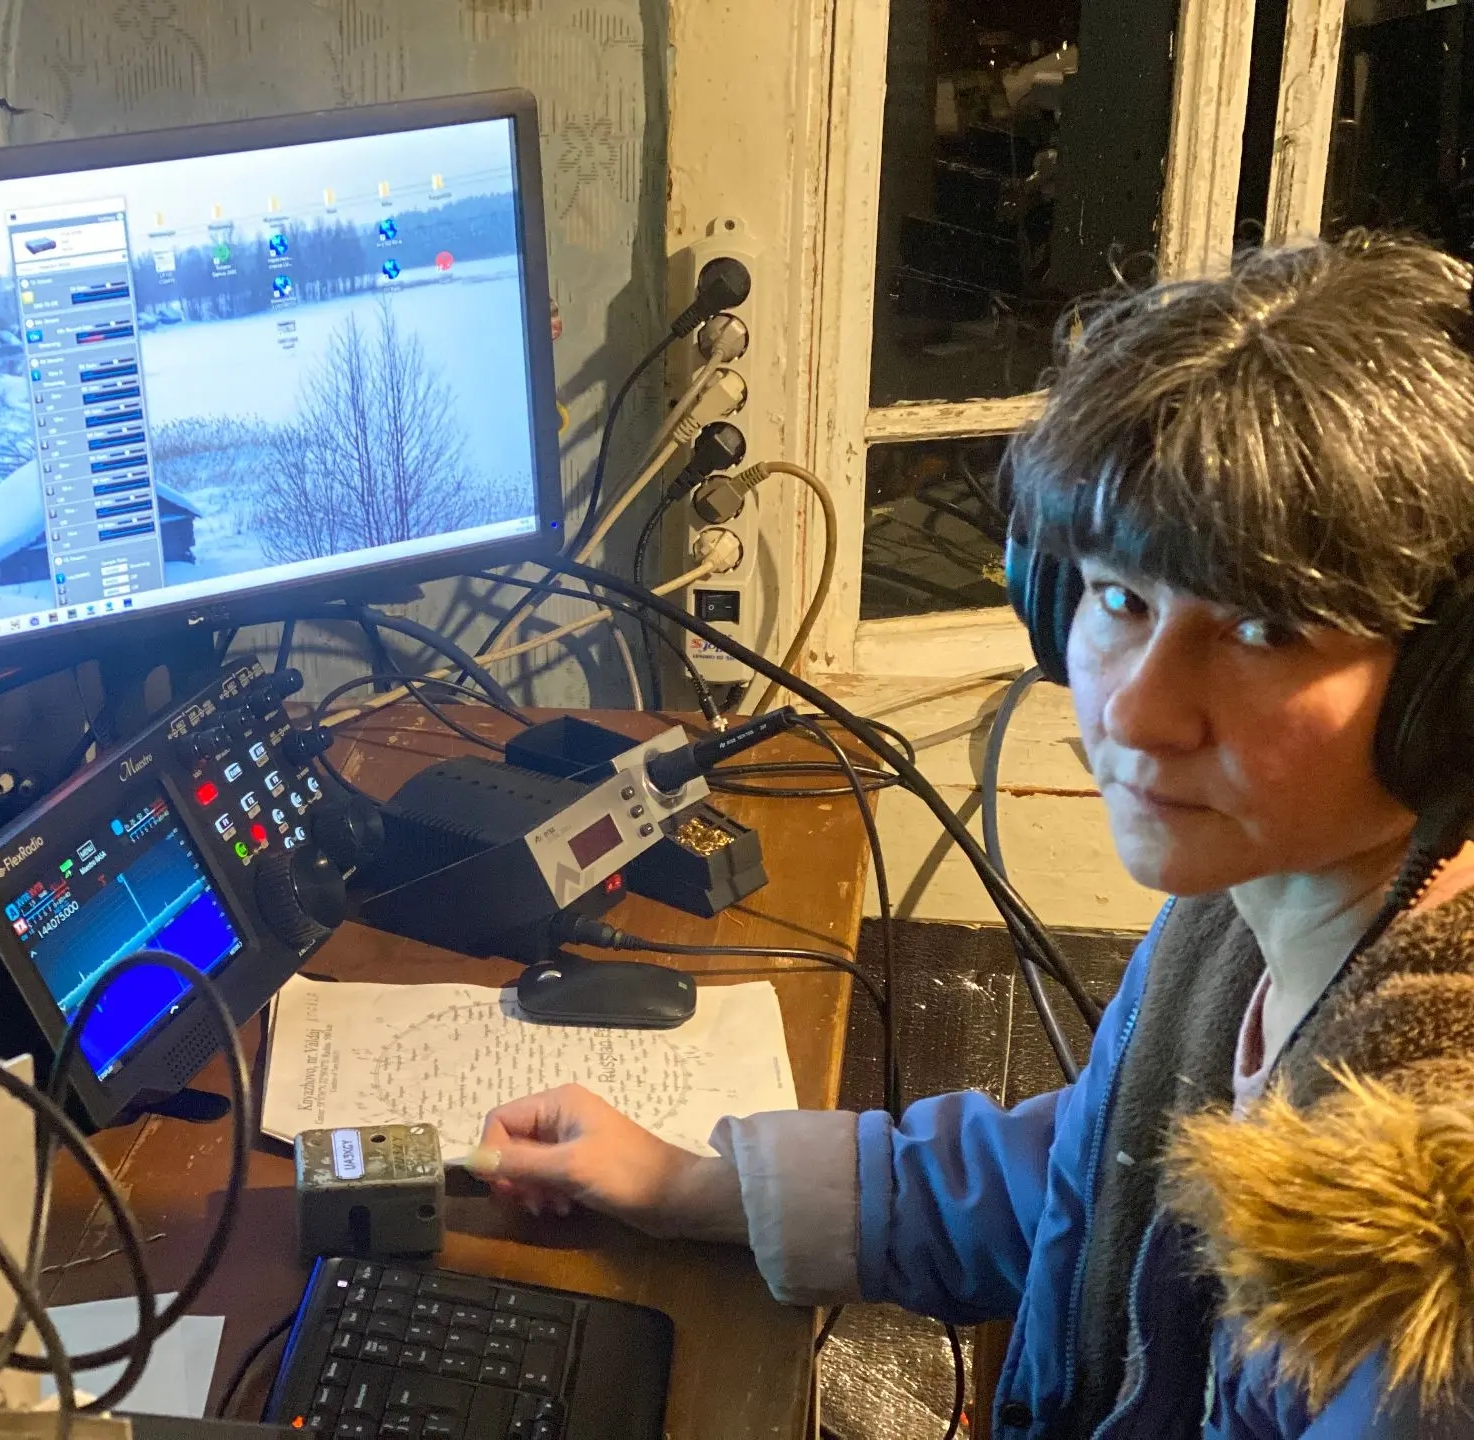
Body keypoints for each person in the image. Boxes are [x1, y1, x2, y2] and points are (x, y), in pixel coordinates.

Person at [468, 234, 1474, 1438]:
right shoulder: (1268, 893)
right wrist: (697, 1188)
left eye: (1264, 632)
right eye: (1121, 598)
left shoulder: (1432, 1283)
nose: (1137, 715)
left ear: (1445, 687)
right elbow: (1107, 1179)